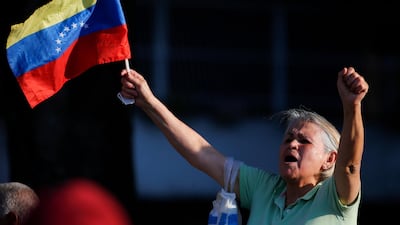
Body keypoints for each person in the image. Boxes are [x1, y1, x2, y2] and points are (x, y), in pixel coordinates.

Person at [119, 66, 369, 225]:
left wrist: (352, 107)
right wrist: (150, 103)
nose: (292, 144)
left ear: (329, 159)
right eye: (288, 138)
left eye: (304, 141)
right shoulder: (265, 188)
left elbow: (349, 167)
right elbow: (202, 155)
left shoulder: (335, 198)